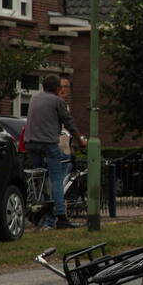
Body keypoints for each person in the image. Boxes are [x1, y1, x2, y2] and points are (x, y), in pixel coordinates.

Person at [26, 74, 86, 230]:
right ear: (58, 88)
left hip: (31, 143)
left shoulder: (34, 98)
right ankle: (61, 217)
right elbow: (69, 123)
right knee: (56, 179)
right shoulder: (58, 101)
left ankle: (40, 214)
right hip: (48, 144)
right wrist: (81, 141)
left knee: (39, 179)